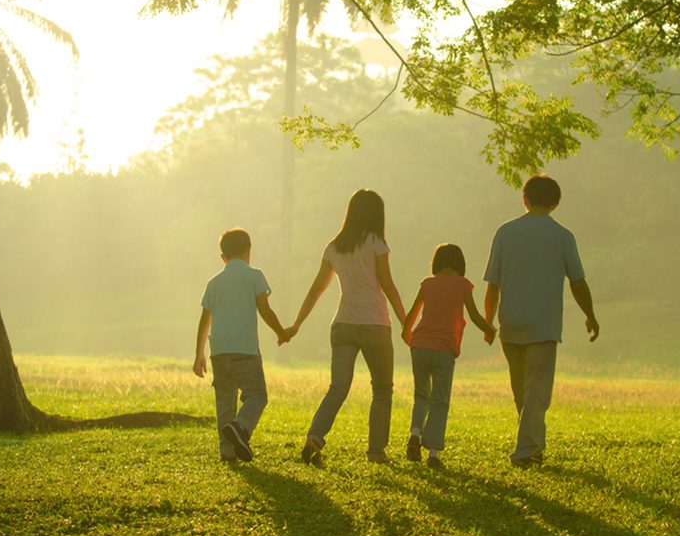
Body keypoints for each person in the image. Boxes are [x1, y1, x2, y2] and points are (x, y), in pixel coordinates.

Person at [483, 174, 599, 467]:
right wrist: (590, 315)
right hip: (543, 325)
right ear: (555, 203)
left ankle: (534, 446)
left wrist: (488, 321)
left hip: (511, 323)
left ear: (524, 198)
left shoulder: (505, 233)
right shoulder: (562, 235)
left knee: (521, 392)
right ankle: (526, 451)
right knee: (536, 393)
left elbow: (492, 284)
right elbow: (577, 281)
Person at [287, 189, 407, 465]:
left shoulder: (334, 246)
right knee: (382, 390)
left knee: (338, 388)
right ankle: (376, 452)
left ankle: (315, 436)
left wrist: (297, 323)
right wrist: (406, 322)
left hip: (342, 325)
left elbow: (317, 287)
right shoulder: (376, 243)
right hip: (375, 323)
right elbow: (387, 284)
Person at [192, 228, 293, 463]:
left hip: (219, 351)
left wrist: (199, 354)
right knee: (257, 395)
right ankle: (241, 427)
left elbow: (204, 320)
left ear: (222, 257)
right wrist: (281, 332)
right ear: (248, 252)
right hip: (245, 350)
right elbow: (264, 310)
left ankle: (227, 453)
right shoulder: (254, 275)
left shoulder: (213, 283)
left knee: (224, 401)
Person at [401, 243, 495, 469]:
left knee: (421, 395)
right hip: (444, 350)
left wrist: (407, 335)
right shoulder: (462, 285)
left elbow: (412, 313)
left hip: (420, 346)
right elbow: (473, 315)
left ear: (437, 264)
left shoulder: (428, 284)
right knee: (439, 401)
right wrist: (489, 330)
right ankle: (433, 454)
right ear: (460, 264)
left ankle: (415, 434)